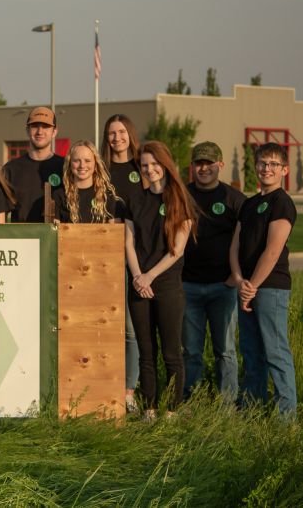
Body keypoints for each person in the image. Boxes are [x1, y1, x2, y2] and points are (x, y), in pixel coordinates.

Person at [124, 140, 196, 419]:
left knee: (171, 352)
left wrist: (150, 277)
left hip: (166, 285)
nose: (150, 169)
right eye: (145, 165)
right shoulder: (135, 200)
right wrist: (137, 277)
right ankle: (150, 409)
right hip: (138, 284)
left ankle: (171, 410)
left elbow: (177, 250)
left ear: (165, 165)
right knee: (146, 352)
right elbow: (129, 243)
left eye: (155, 164)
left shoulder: (180, 200)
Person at [229, 142, 298, 416]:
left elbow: (272, 251)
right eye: (262, 163)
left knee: (275, 351)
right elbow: (234, 246)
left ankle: (286, 417)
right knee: (251, 352)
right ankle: (252, 409)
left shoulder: (282, 202)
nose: (266, 168)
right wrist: (239, 280)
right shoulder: (249, 204)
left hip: (270, 288)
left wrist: (252, 287)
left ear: (284, 170)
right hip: (246, 286)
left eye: (273, 164)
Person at [182, 141, 246, 402]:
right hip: (188, 286)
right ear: (192, 166)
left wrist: (235, 276)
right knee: (191, 351)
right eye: (199, 163)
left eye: (209, 163)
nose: (204, 168)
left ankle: (227, 404)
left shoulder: (234, 199)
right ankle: (190, 401)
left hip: (223, 287)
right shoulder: (182, 195)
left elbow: (248, 240)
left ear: (220, 164)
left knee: (226, 351)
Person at [100, 113, 144, 410]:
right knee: (107, 323)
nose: (117, 138)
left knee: (132, 327)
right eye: (112, 133)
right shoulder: (100, 169)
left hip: (139, 256)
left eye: (122, 132)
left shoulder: (141, 166)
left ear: (130, 134)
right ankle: (105, 384)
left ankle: (130, 388)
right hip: (106, 254)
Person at [3, 106, 65, 222]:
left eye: (45, 126)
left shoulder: (65, 167)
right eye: (35, 126)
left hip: (56, 233)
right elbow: (0, 212)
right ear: (27, 130)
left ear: (54, 132)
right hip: (22, 233)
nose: (40, 131)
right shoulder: (11, 169)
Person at [52, 140, 123, 224]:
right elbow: (53, 230)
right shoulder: (59, 196)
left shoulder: (108, 195)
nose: (82, 165)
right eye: (76, 161)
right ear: (69, 164)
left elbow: (116, 231)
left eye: (87, 161)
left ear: (95, 164)